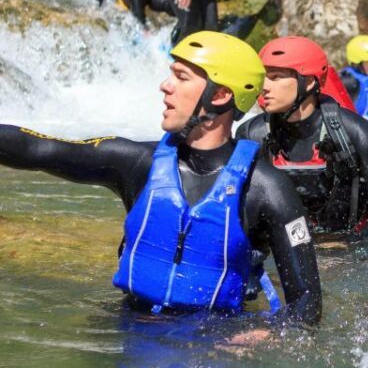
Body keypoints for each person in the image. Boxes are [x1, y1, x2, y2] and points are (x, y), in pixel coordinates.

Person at [0, 31, 321, 322]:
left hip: (214, 345)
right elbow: (38, 149)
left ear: (221, 95)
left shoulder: (267, 190)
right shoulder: (136, 163)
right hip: (132, 328)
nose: (165, 86)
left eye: (181, 77)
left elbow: (306, 305)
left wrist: (260, 333)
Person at [236, 36, 368, 237]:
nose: (265, 86)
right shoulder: (251, 134)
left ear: (309, 82)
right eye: (264, 77)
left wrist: (348, 253)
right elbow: (238, 210)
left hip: (346, 249)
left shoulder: (357, 132)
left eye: (276, 77)